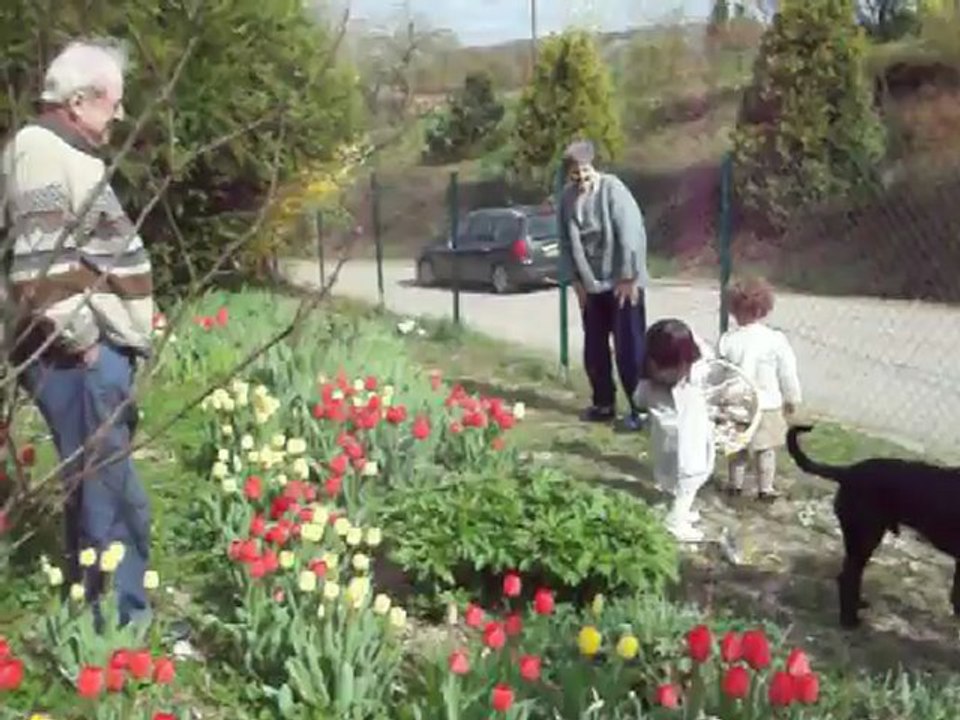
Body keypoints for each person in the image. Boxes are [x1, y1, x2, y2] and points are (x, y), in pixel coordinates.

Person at [1, 39, 154, 625]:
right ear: (81, 99)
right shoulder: (42, 152)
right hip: (77, 355)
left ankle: (94, 604)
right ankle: (120, 623)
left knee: (95, 484)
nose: (118, 116)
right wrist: (90, 343)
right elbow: (38, 273)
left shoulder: (52, 149)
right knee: (110, 492)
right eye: (113, 103)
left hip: (83, 352)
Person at [558, 140, 649, 430]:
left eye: (585, 173)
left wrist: (627, 276)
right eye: (575, 175)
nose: (581, 180)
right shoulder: (566, 199)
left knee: (629, 349)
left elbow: (630, 233)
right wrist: (576, 282)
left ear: (592, 168)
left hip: (622, 281)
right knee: (594, 349)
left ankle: (640, 410)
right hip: (591, 284)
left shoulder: (613, 189)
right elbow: (564, 243)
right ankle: (603, 404)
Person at [718, 277, 802, 502]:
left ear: (733, 309)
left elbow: (720, 373)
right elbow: (787, 372)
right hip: (767, 405)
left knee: (737, 449)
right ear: (764, 308)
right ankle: (765, 488)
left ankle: (734, 485)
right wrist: (792, 398)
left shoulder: (728, 340)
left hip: (737, 405)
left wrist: (718, 398)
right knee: (765, 450)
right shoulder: (775, 339)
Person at [633, 319, 715, 542]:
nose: (667, 375)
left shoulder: (648, 384)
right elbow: (708, 356)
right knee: (689, 483)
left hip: (667, 443)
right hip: (689, 446)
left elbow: (638, 400)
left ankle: (677, 511)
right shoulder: (692, 378)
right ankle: (675, 522)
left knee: (673, 480)